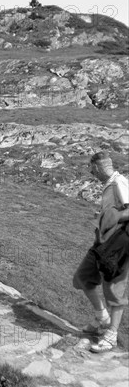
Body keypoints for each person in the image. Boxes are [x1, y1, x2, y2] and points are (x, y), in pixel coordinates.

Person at [73, 151, 129, 352]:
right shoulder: (110, 185)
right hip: (102, 242)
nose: (91, 173)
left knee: (114, 290)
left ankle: (111, 335)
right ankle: (101, 318)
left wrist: (112, 218)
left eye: (91, 169)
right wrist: (104, 216)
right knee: (83, 278)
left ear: (97, 167)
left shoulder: (119, 183)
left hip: (118, 245)